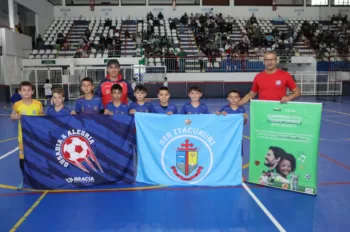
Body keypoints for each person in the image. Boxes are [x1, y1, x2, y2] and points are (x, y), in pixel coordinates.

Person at [11, 81, 43, 189]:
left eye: (29, 90)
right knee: (22, 158)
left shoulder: (38, 104)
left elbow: (42, 116)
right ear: (20, 92)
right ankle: (24, 179)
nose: (26, 92)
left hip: (35, 137)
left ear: (33, 91)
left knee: (36, 158)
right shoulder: (17, 104)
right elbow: (12, 117)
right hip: (23, 137)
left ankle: (38, 179)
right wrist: (18, 116)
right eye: (24, 90)